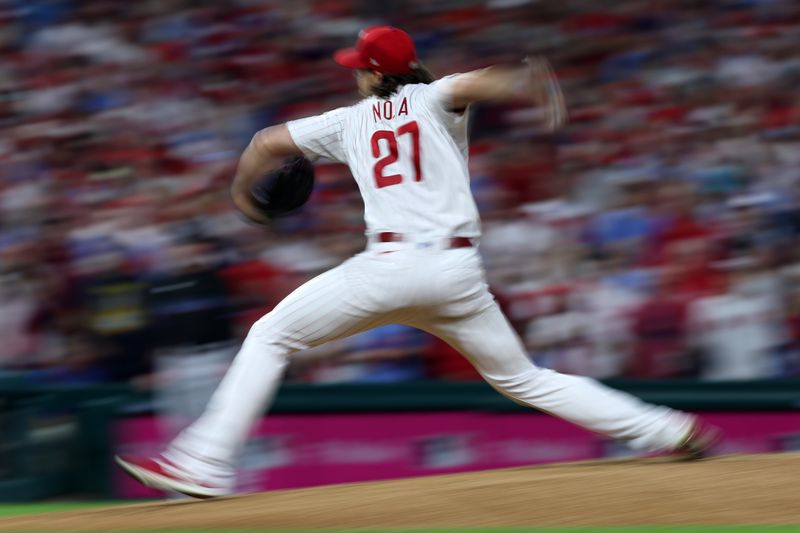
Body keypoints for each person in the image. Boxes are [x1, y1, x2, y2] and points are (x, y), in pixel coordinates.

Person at [116, 26, 718, 499]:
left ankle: (206, 464)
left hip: (391, 266)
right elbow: (472, 84)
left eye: (359, 67)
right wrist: (523, 83)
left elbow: (264, 143)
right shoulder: (435, 97)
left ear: (375, 72)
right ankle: (670, 429)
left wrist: (245, 199)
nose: (353, 75)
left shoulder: (348, 123)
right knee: (525, 379)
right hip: (458, 276)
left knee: (271, 334)